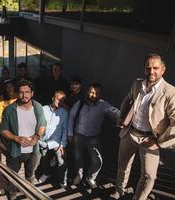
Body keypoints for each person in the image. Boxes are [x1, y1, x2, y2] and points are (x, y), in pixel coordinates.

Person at [110, 53, 175, 200]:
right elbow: (127, 99)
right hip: (130, 133)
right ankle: (119, 190)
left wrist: (158, 142)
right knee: (123, 166)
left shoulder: (171, 92)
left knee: (149, 176)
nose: (151, 71)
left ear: (163, 70)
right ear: (144, 69)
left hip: (150, 140)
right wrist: (122, 118)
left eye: (155, 68)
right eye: (148, 68)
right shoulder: (137, 83)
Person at [68, 83, 120, 188]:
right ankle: (79, 175)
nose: (94, 95)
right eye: (92, 92)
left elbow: (115, 113)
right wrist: (70, 133)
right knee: (78, 158)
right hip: (79, 135)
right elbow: (71, 116)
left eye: (97, 93)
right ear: (88, 91)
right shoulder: (80, 102)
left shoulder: (103, 105)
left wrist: (125, 116)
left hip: (93, 138)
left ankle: (90, 178)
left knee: (97, 161)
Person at [1, 79, 46, 199]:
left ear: (32, 93)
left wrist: (37, 137)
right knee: (12, 176)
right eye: (21, 92)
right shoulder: (9, 110)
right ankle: (12, 195)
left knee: (30, 175)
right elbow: (4, 130)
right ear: (17, 93)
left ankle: (29, 194)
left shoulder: (38, 107)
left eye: (27, 92)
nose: (24, 95)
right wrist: (16, 138)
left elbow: (42, 125)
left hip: (33, 151)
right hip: (15, 150)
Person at [38, 90, 68, 188]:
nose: (60, 102)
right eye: (58, 99)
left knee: (61, 160)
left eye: (62, 100)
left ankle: (62, 179)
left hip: (57, 142)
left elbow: (65, 129)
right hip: (44, 141)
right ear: (52, 98)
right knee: (44, 159)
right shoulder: (43, 109)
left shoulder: (64, 113)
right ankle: (47, 173)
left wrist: (62, 144)